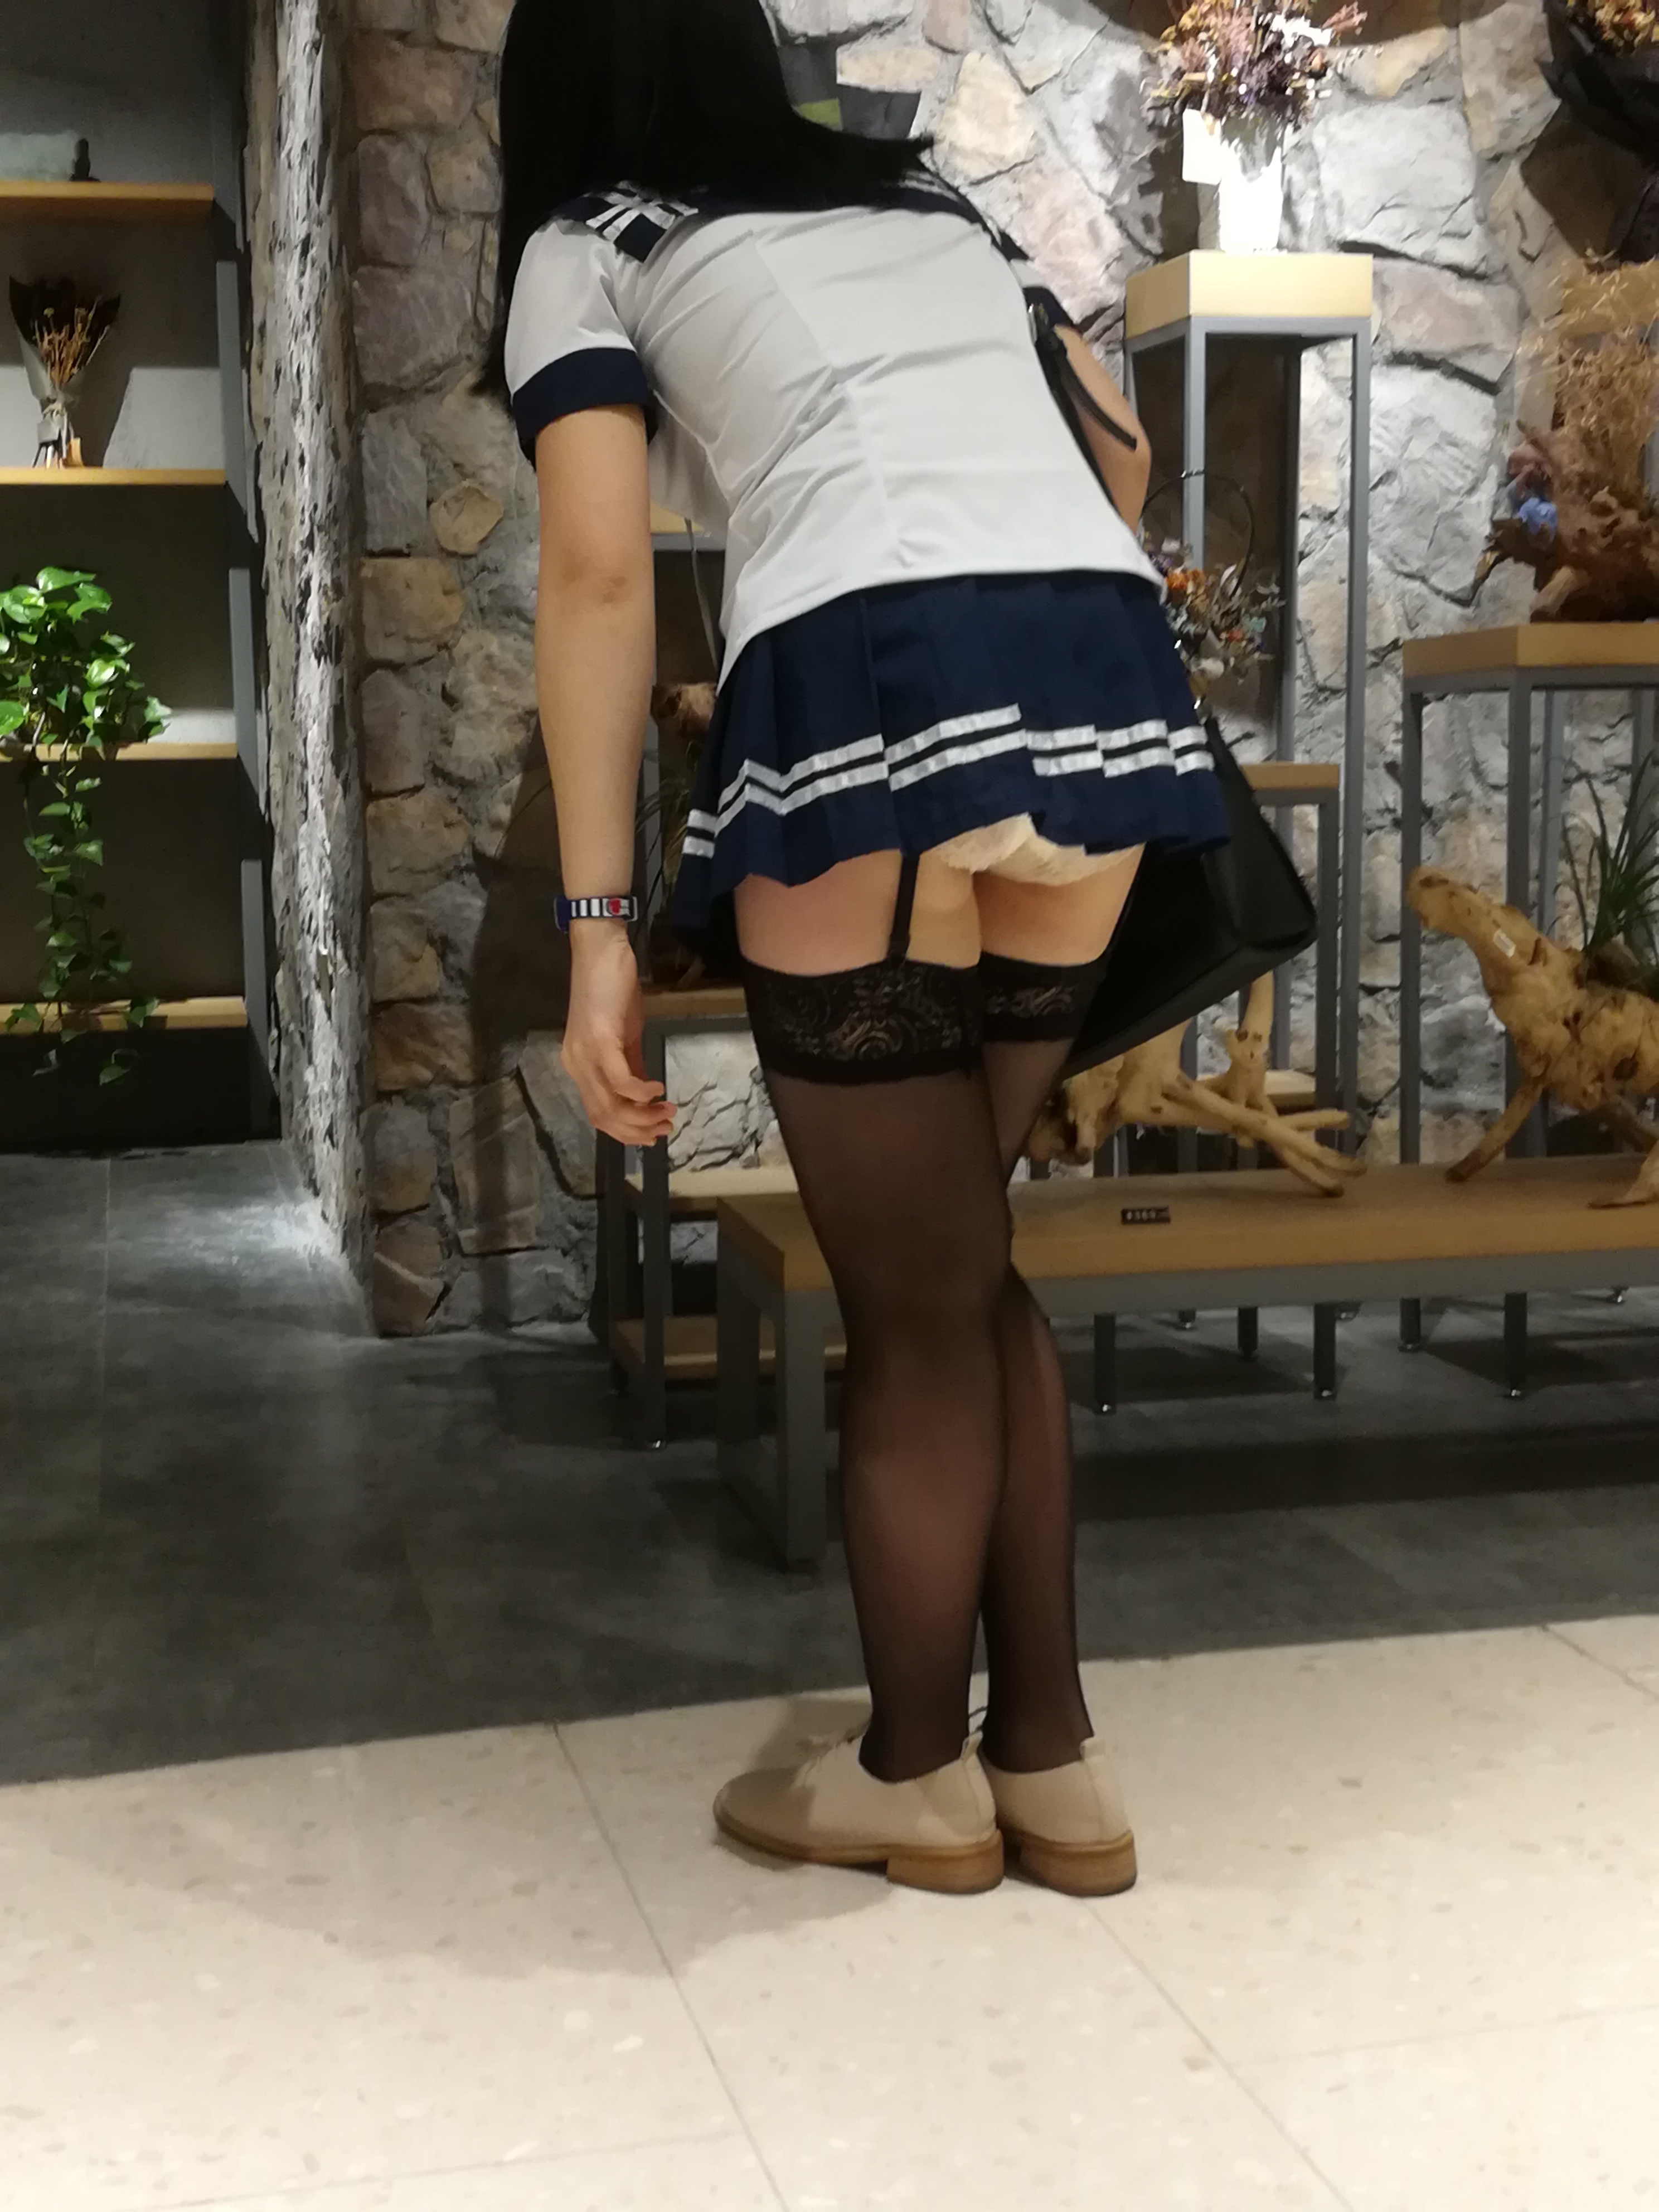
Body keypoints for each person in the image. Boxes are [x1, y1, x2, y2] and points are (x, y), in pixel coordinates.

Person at [483, 0, 1228, 1898]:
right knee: (964, 1263)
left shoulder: (592, 240)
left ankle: (916, 1776)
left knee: (908, 1305)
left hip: (874, 676)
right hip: (1098, 673)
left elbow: (596, 574)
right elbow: (1120, 453)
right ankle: (1050, 1763)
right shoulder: (931, 202)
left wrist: (596, 934)